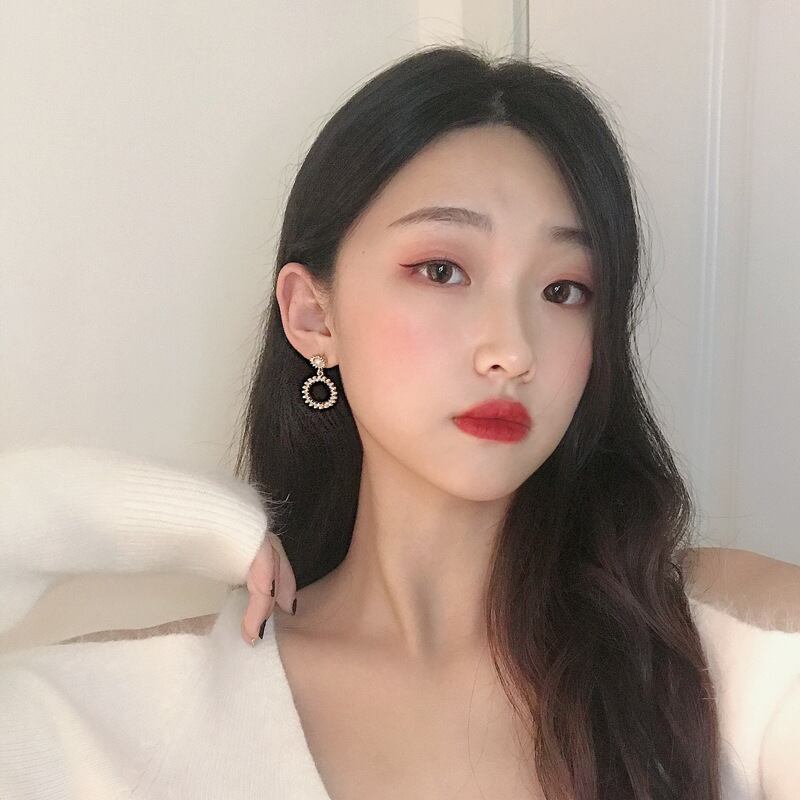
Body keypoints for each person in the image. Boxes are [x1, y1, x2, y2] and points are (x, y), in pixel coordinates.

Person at [1, 44, 799, 800]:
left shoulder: (720, 650)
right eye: (442, 270)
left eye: (565, 290)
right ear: (313, 316)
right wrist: (156, 517)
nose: (512, 351)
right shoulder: (107, 723)